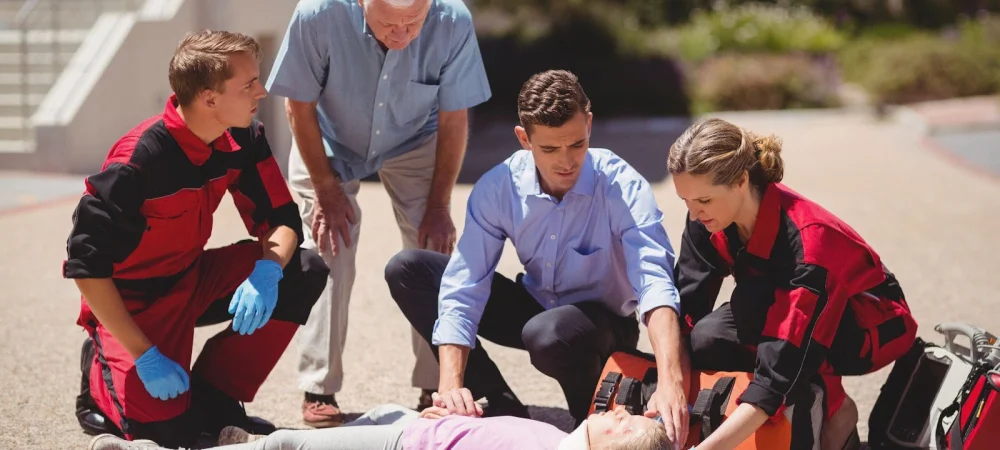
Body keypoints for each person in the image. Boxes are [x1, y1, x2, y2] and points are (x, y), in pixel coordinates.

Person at [386, 69, 692, 444]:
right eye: (549, 149)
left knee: (548, 335)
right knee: (408, 269)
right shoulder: (499, 187)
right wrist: (451, 385)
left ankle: (589, 411)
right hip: (536, 307)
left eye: (577, 144)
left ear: (589, 124)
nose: (566, 161)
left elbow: (656, 282)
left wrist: (671, 381)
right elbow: (465, 284)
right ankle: (492, 403)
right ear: (523, 139)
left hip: (602, 325)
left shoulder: (622, 184)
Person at [64, 30, 329, 448]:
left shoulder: (243, 137)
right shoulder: (138, 162)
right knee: (169, 435)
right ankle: (99, 370)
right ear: (209, 99)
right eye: (249, 85)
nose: (262, 91)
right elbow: (86, 265)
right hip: (134, 302)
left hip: (192, 277)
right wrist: (145, 355)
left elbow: (282, 220)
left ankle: (216, 394)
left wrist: (267, 270)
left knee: (304, 268)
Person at [265, 0, 492, 427]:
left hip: (416, 137)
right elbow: (298, 107)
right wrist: (325, 187)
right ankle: (319, 387)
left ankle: (436, 381)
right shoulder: (318, 14)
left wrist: (440, 205)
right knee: (329, 245)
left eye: (414, 22)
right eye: (390, 23)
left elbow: (454, 116)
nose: (403, 35)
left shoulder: (453, 19)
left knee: (432, 248)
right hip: (328, 137)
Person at [667, 118, 918, 450]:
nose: (695, 213)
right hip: (787, 299)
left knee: (763, 322)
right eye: (686, 201)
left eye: (704, 201)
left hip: (869, 323)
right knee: (705, 337)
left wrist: (707, 448)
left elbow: (779, 368)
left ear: (741, 181)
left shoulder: (807, 246)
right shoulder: (708, 216)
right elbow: (687, 305)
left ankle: (837, 411)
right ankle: (801, 408)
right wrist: (669, 386)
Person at [86, 389, 671, 450]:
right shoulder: (555, 433)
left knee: (287, 447)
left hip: (405, 443)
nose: (618, 410)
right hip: (414, 424)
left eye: (625, 423)